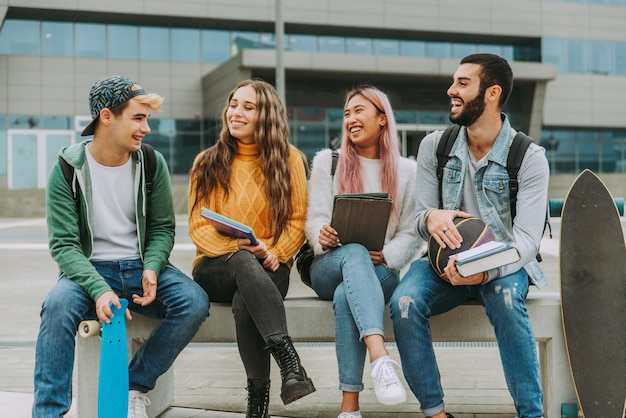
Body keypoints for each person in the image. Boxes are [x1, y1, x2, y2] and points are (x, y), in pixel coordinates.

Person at [32, 75, 210, 418]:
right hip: (89, 270)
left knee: (194, 302)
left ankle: (134, 385)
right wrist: (98, 290)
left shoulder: (151, 163)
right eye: (138, 118)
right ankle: (47, 412)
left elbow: (162, 228)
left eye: (147, 119)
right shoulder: (67, 169)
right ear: (107, 117)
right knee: (56, 307)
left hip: (139, 265)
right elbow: (65, 246)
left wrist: (153, 267)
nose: (146, 128)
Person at [390, 53, 549, 418]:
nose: (451, 90)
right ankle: (435, 412)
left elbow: (526, 241)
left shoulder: (529, 157)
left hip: (505, 265)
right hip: (441, 263)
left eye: (463, 83)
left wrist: (485, 270)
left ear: (492, 93)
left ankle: (531, 414)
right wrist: (432, 217)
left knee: (506, 300)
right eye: (453, 82)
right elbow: (419, 218)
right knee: (404, 303)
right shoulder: (435, 147)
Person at [188, 79, 315, 418]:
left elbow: (298, 220)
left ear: (267, 116)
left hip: (271, 266)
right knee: (244, 259)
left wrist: (274, 252)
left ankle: (257, 405)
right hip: (216, 267)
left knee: (247, 300)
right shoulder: (207, 162)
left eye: (248, 107)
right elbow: (198, 226)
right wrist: (236, 248)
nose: (236, 112)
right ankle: (290, 361)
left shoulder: (291, 159)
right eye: (233, 104)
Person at [305, 85, 420, 418]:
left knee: (346, 296)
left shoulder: (407, 171)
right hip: (329, 264)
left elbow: (413, 231)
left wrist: (386, 255)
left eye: (359, 111)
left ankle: (350, 408)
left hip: (380, 269)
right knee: (352, 252)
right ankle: (380, 357)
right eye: (346, 114)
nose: (351, 119)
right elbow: (314, 219)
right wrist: (321, 234)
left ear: (382, 119)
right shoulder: (328, 162)